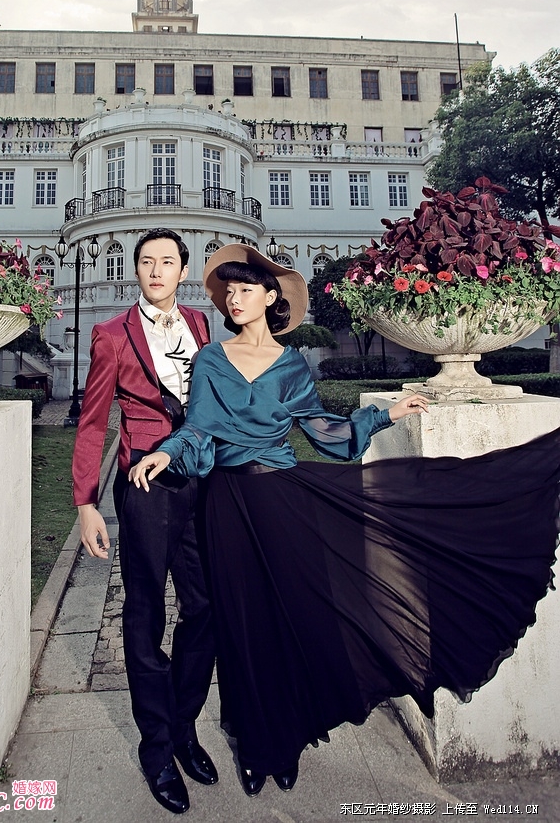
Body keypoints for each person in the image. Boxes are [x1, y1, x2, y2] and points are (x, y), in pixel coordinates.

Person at [130, 243, 560, 798]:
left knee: (290, 619)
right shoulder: (211, 359)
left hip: (282, 499)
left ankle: (286, 740)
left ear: (270, 297)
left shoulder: (291, 365)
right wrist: (167, 452)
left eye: (245, 290)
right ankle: (255, 746)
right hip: (227, 506)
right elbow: (200, 428)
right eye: (228, 291)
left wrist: (385, 414)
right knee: (240, 626)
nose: (234, 299)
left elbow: (323, 430)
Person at [72, 228, 216, 815]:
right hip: (144, 487)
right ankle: (156, 747)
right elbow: (92, 422)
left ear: (183, 270)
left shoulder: (201, 325)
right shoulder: (111, 335)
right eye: (147, 261)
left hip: (199, 482)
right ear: (136, 270)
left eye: (167, 261)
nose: (157, 270)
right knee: (145, 613)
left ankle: (184, 727)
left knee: (206, 608)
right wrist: (86, 502)